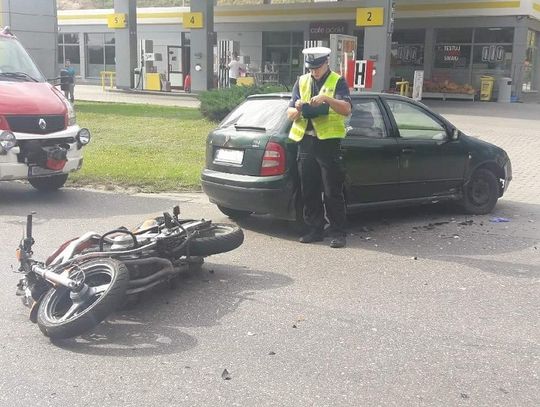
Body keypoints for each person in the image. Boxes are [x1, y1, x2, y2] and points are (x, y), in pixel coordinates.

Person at [287, 47, 352, 248]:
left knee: (332, 190)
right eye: (311, 68)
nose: (314, 72)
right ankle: (315, 229)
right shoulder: (302, 80)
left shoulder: (337, 81)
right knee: (309, 189)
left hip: (328, 143)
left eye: (317, 67)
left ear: (326, 63)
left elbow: (347, 109)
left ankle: (338, 232)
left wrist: (326, 99)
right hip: (305, 142)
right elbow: (288, 111)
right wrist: (297, 108)